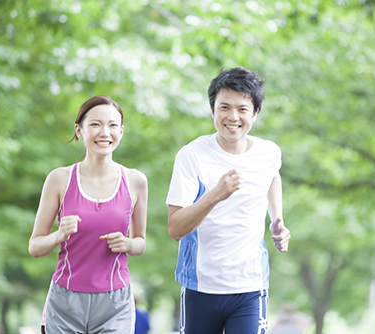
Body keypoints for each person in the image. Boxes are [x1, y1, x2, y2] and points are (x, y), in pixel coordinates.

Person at [166, 67, 291, 334]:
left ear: (255, 114)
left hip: (250, 287)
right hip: (201, 286)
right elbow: (176, 228)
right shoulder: (192, 156)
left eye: (242, 109)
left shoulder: (269, 153)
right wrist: (215, 194)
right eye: (224, 107)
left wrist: (277, 219)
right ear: (212, 110)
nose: (233, 117)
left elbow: (273, 176)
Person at [29, 95, 148, 334]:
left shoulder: (135, 181)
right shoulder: (59, 179)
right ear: (80, 131)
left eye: (113, 125)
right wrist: (58, 235)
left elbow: (140, 243)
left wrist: (127, 244)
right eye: (95, 124)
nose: (105, 132)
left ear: (121, 132)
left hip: (115, 303)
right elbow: (35, 246)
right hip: (65, 302)